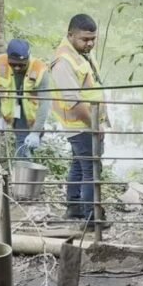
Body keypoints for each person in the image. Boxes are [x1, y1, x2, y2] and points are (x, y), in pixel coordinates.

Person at [49, 14, 111, 231]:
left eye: (93, 39)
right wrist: (95, 125)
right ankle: (91, 218)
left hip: (83, 123)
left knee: (79, 164)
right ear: (70, 35)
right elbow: (74, 101)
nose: (90, 43)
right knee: (91, 170)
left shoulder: (79, 53)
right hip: (81, 124)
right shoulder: (63, 62)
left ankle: (74, 206)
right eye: (85, 39)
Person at [0, 38, 51, 160]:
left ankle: (22, 174)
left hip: (32, 114)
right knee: (22, 145)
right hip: (13, 111)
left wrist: (36, 132)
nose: (17, 68)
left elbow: (45, 103)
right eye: (13, 64)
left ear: (29, 58)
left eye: (21, 65)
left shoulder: (39, 69)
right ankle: (22, 174)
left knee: (26, 146)